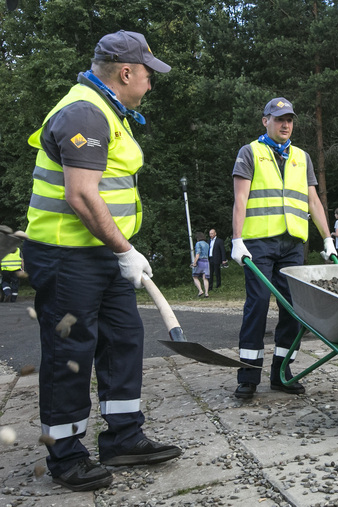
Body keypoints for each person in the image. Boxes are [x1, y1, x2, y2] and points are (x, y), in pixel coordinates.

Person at [22, 30, 181, 492]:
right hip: (66, 255)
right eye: (148, 75)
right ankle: (67, 457)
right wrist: (126, 249)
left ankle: (124, 437)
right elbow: (80, 195)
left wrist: (120, 251)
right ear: (126, 72)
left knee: (123, 338)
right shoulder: (86, 113)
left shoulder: (110, 110)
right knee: (70, 352)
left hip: (100, 253)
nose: (151, 83)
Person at [230, 97, 336, 400]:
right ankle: (248, 375)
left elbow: (313, 201)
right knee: (259, 303)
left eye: (289, 119)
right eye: (279, 119)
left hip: (292, 244)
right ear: (266, 121)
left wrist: (327, 238)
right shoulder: (250, 153)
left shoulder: (302, 157)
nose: (285, 124)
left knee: (293, 307)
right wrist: (237, 240)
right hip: (259, 243)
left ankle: (282, 371)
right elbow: (240, 199)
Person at [191, 231, 210, 297]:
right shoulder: (207, 244)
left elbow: (198, 254)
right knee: (205, 278)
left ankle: (200, 290)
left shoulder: (198, 244)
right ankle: (206, 293)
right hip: (206, 262)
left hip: (200, 261)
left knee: (195, 277)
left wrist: (194, 262)